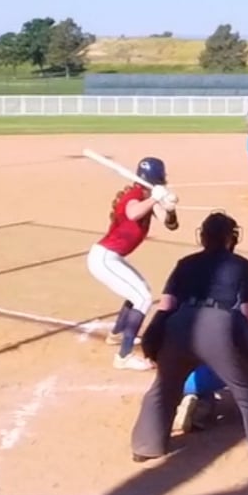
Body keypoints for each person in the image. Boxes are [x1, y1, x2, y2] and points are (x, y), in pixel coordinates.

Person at [132, 211, 248, 478]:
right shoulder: (240, 265)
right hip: (219, 326)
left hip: (178, 325)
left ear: (203, 237)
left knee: (165, 387)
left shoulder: (185, 263)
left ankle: (146, 446)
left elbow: (166, 306)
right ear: (231, 238)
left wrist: (154, 340)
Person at [87, 156, 178, 370]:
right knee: (142, 297)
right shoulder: (134, 196)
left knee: (140, 290)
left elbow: (171, 225)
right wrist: (155, 199)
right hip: (104, 258)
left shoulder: (146, 196)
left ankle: (117, 334)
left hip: (112, 258)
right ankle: (123, 357)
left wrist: (170, 208)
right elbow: (133, 212)